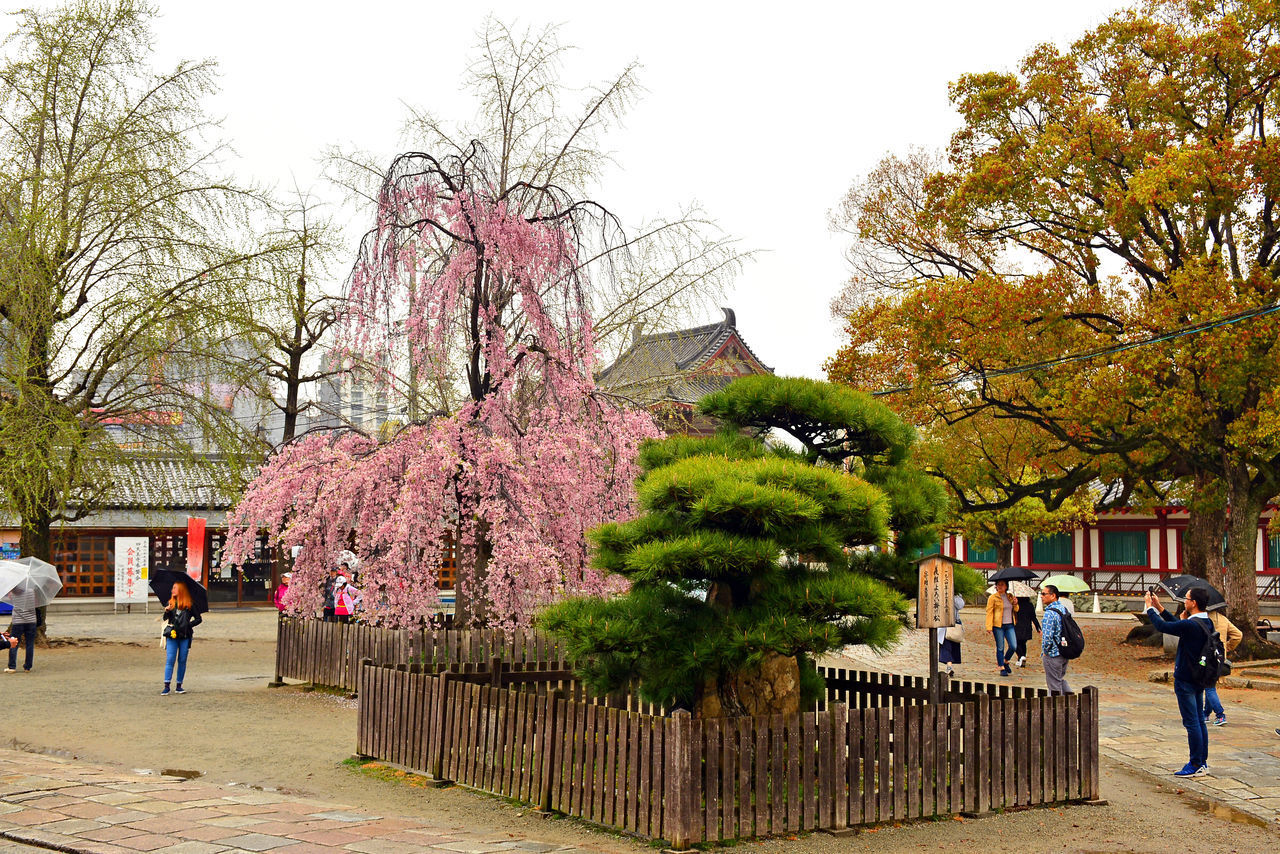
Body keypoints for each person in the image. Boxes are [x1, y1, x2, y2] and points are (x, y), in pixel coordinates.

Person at [1145, 587, 1214, 777]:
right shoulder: (1206, 622)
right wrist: (1161, 608)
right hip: (1199, 675)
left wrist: (1150, 608)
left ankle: (1195, 763)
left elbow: (1164, 627)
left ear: (1194, 603)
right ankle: (1202, 761)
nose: (1185, 601)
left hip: (1186, 678)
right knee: (1199, 720)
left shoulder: (1192, 625)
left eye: (1187, 598)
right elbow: (1180, 627)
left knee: (1192, 722)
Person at [161, 580, 202, 696]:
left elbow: (199, 619)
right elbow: (166, 619)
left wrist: (189, 625)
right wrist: (167, 611)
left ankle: (179, 685)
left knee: (182, 660)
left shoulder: (190, 604)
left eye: (174, 588)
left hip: (185, 635)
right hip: (172, 635)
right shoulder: (170, 603)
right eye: (172, 588)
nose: (172, 590)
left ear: (181, 590)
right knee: (170, 659)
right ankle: (166, 685)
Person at [1203, 609, 1242, 726]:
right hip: (1220, 657)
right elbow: (1238, 635)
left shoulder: (1202, 619)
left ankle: (1220, 714)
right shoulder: (1222, 619)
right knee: (1210, 685)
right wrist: (1227, 647)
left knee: (1209, 687)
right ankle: (1205, 713)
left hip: (1206, 656)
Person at [1039, 585, 1072, 695]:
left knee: (1054, 684)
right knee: (1059, 679)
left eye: (1044, 594)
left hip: (1053, 654)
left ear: (1053, 596)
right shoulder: (1063, 609)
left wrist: (1045, 652)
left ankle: (1056, 708)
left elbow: (1047, 638)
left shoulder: (1049, 613)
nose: (1041, 596)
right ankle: (1070, 698)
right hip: (1064, 651)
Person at [985, 579, 1019, 676]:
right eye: (998, 585)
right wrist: (989, 626)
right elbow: (989, 612)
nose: (1000, 586)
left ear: (1006, 586)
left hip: (1010, 624)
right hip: (998, 625)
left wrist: (1015, 603)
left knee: (1013, 646)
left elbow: (1016, 610)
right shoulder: (993, 598)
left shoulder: (1010, 596)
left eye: (1002, 585)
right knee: (1000, 647)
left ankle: (1005, 660)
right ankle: (1001, 667)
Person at [5, 580, 38, 673]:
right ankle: (27, 667)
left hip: (18, 621)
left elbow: (10, 600)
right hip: (31, 621)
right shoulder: (32, 591)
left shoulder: (13, 592)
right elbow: (36, 603)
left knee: (13, 643)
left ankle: (12, 666)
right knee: (30, 644)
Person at [937, 593, 966, 675]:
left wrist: (952, 595)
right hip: (943, 623)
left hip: (954, 623)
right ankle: (949, 667)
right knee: (946, 646)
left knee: (953, 646)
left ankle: (949, 666)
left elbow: (960, 605)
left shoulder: (957, 595)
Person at [1014, 590, 1041, 667]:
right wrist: (1038, 627)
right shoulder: (1030, 605)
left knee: (1014, 643)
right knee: (1023, 643)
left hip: (1017, 626)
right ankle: (1022, 658)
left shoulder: (1016, 606)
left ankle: (1021, 656)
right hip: (1027, 627)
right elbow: (1034, 617)